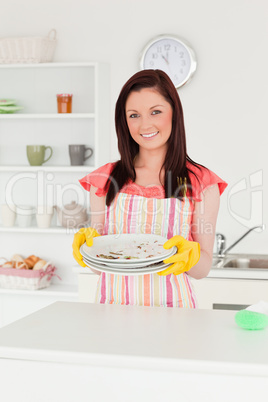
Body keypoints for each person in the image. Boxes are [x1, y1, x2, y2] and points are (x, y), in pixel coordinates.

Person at [73, 69, 227, 308]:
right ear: (123, 121)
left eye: (156, 112)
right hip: (111, 312)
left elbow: (202, 269)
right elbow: (98, 267)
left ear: (174, 113)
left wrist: (191, 257)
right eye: (134, 115)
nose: (145, 124)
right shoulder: (104, 179)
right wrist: (87, 250)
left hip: (175, 315)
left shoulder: (200, 182)